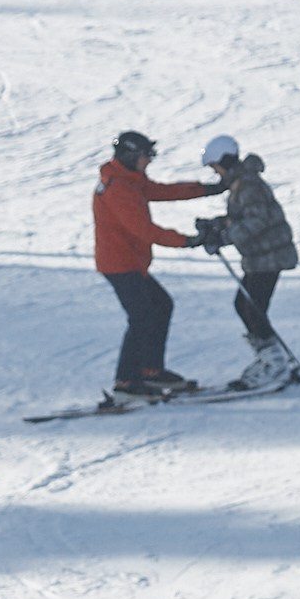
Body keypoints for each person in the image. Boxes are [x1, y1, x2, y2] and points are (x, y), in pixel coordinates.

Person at [93, 129, 219, 403]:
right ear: (129, 156)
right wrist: (186, 241)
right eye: (145, 156)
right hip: (120, 264)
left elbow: (162, 191)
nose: (148, 161)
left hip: (131, 263)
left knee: (160, 305)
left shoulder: (130, 180)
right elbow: (145, 230)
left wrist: (206, 189)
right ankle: (127, 381)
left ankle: (150, 370)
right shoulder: (119, 188)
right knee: (141, 317)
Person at [194, 134, 299, 389]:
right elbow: (243, 217)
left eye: (215, 166)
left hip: (269, 256)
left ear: (226, 161)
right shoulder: (241, 183)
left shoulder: (248, 185)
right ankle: (271, 359)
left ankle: (274, 365)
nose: (215, 172)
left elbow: (256, 221)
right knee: (245, 305)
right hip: (260, 257)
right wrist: (217, 225)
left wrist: (225, 237)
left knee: (252, 308)